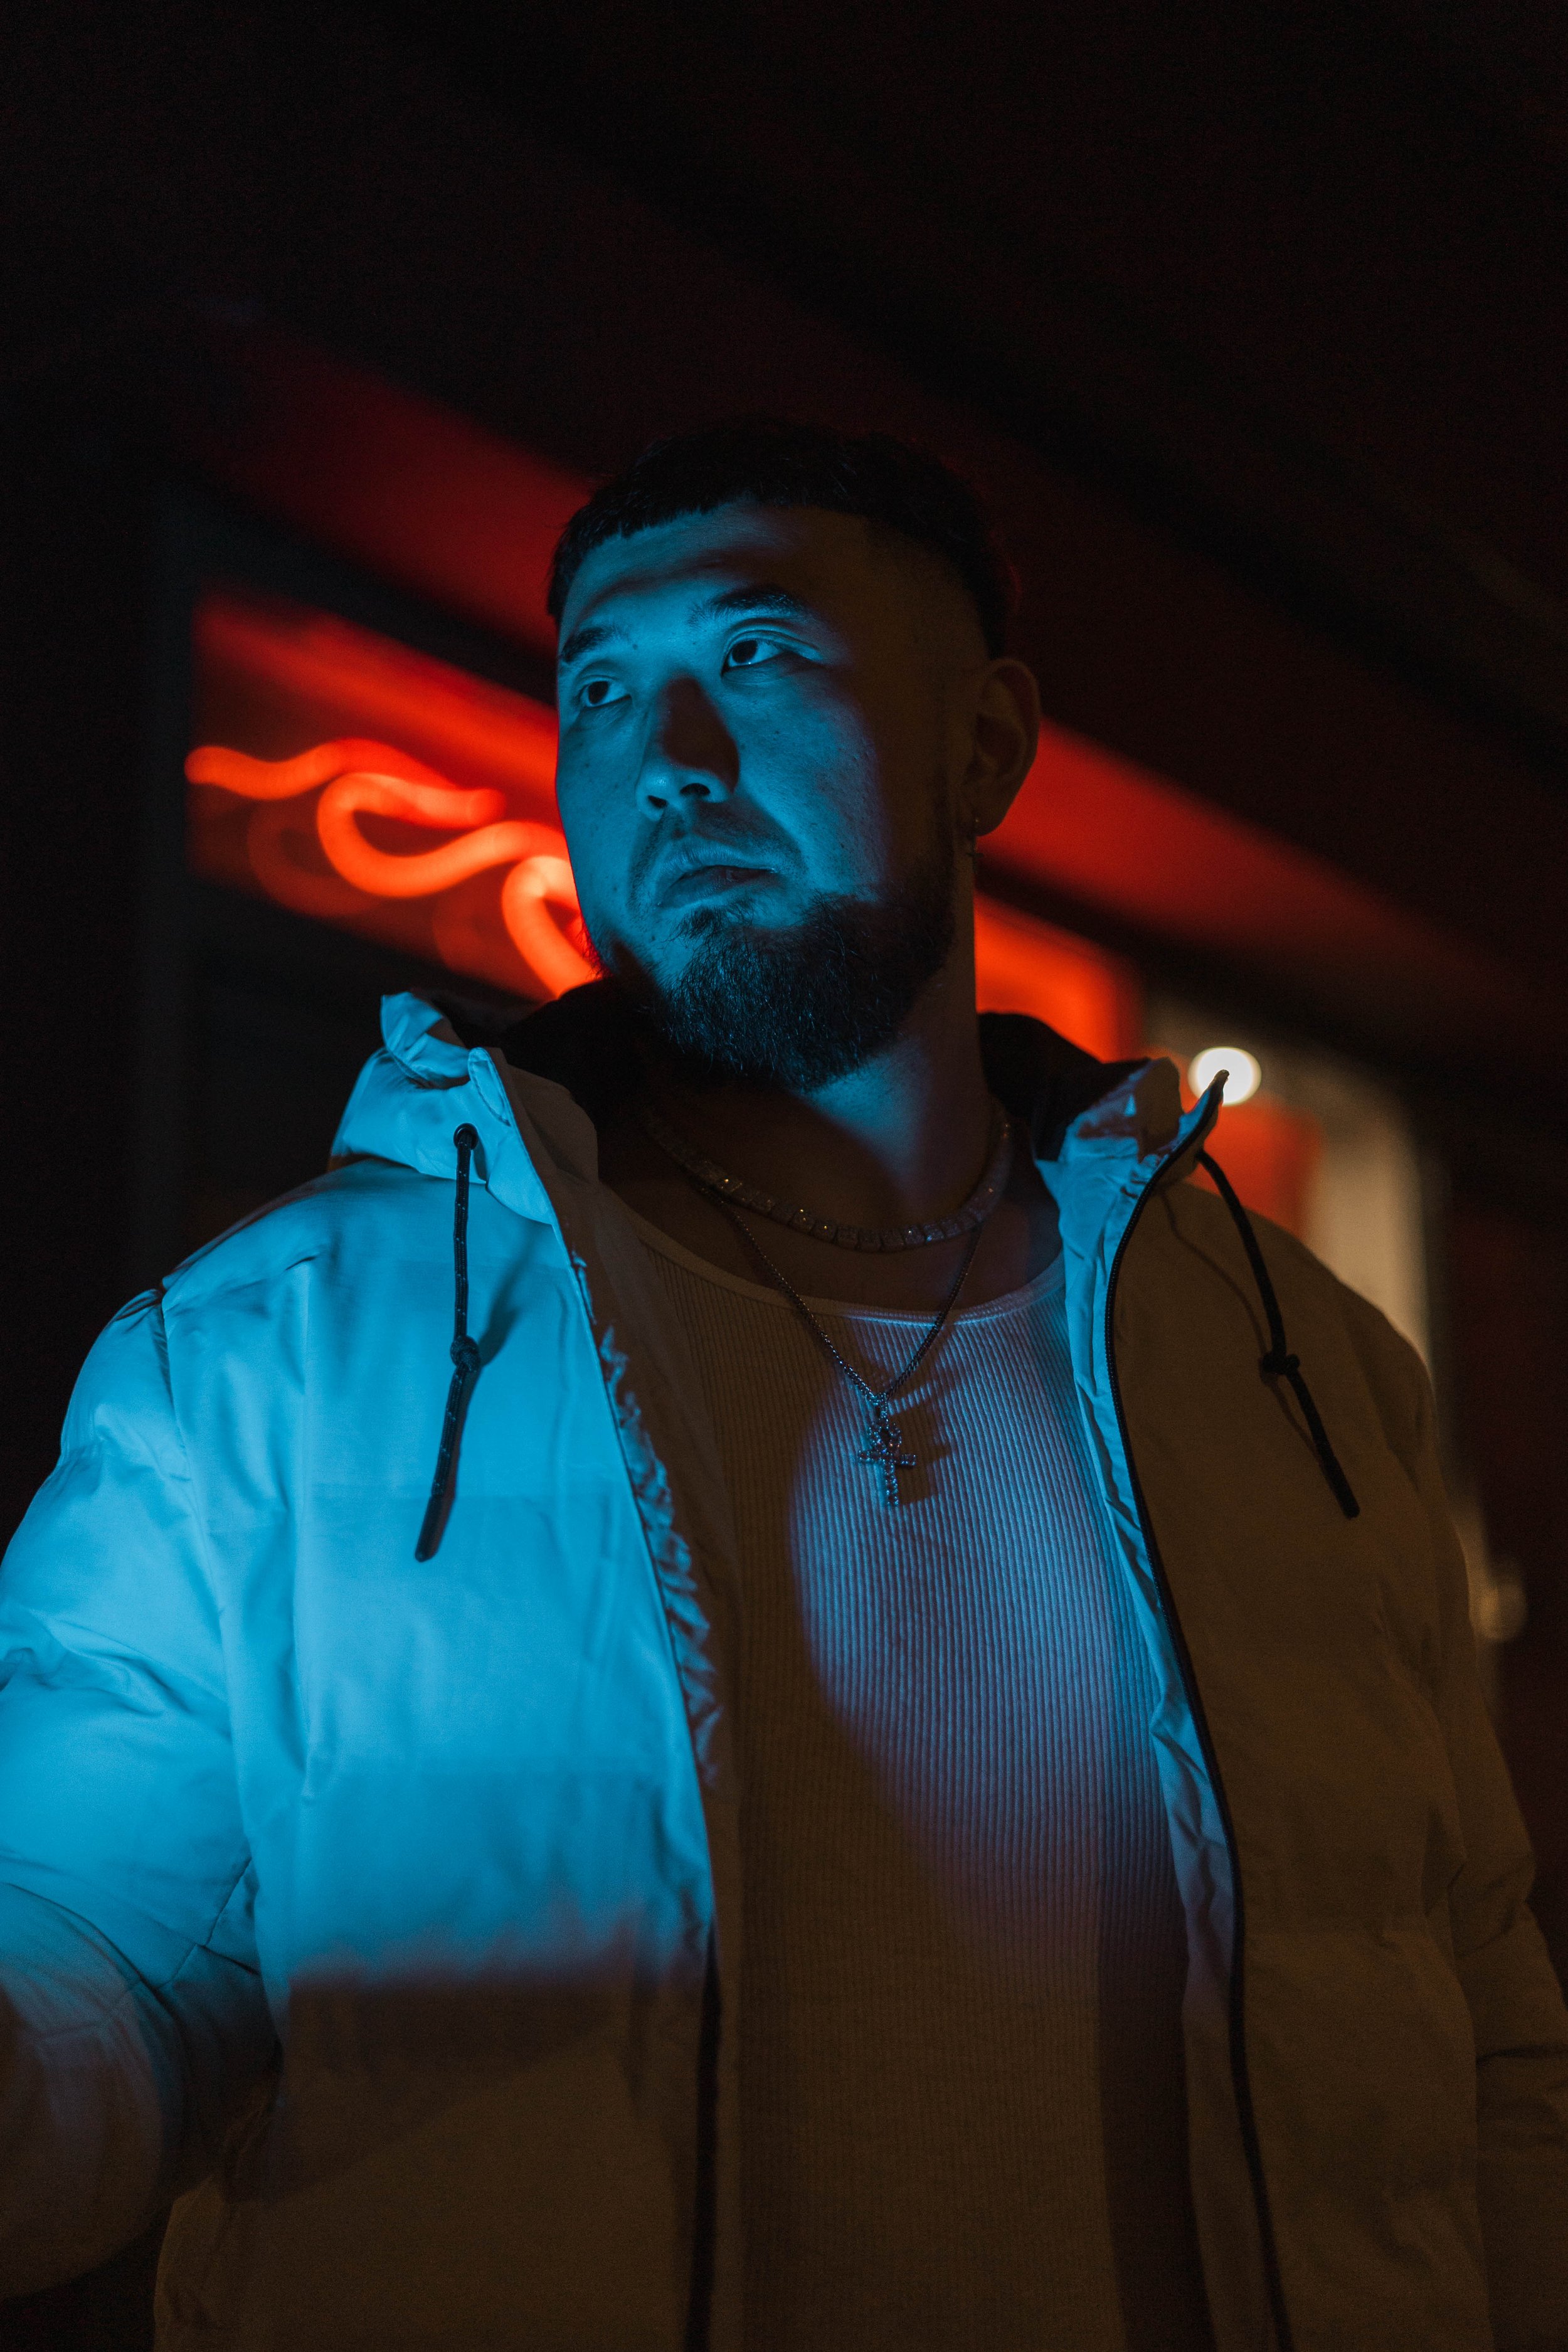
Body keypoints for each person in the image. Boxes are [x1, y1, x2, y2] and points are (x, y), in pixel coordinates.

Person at [0, 421, 1564, 2352]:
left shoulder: (1302, 1369)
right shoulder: (268, 1351)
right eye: (598, 688)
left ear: (983, 745)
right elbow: (93, 1964)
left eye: (757, 655)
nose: (664, 757)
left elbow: (1481, 2037)